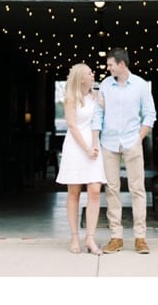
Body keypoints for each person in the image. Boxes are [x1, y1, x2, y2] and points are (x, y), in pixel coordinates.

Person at [99, 48, 157, 254]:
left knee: (137, 189)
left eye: (110, 64)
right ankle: (116, 237)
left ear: (122, 65)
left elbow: (150, 113)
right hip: (108, 143)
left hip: (132, 141)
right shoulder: (105, 85)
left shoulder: (141, 85)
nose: (107, 68)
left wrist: (139, 138)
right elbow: (99, 112)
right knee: (112, 189)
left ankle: (140, 238)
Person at [56, 62, 104, 255]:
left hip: (93, 145)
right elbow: (72, 125)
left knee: (94, 189)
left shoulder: (96, 96)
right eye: (89, 73)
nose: (93, 75)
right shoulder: (71, 98)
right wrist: (86, 149)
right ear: (80, 78)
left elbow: (98, 120)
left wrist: (94, 145)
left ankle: (90, 238)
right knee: (74, 191)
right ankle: (74, 236)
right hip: (76, 147)